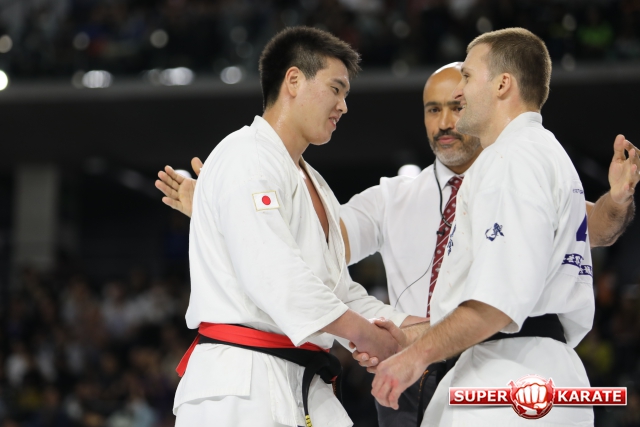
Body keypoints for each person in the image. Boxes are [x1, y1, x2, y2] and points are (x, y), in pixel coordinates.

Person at [157, 62, 638, 427]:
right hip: (410, 371)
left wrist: (615, 202)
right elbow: (315, 247)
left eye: (456, 105)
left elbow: (592, 228)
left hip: (490, 356)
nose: (445, 121)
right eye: (433, 109)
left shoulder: (515, 173)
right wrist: (229, 215)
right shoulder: (393, 196)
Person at [367, 27, 630, 426]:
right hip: (539, 371)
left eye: (468, 76)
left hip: (508, 380)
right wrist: (408, 339)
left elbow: (497, 303)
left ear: (503, 84)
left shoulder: (510, 159)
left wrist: (414, 358)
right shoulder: (545, 154)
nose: (460, 92)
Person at [172, 26, 424, 427]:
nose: (343, 106)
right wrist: (365, 335)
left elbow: (337, 290)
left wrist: (415, 329)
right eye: (336, 89)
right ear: (293, 80)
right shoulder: (246, 156)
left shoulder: (314, 183)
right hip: (241, 383)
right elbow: (277, 277)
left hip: (302, 378)